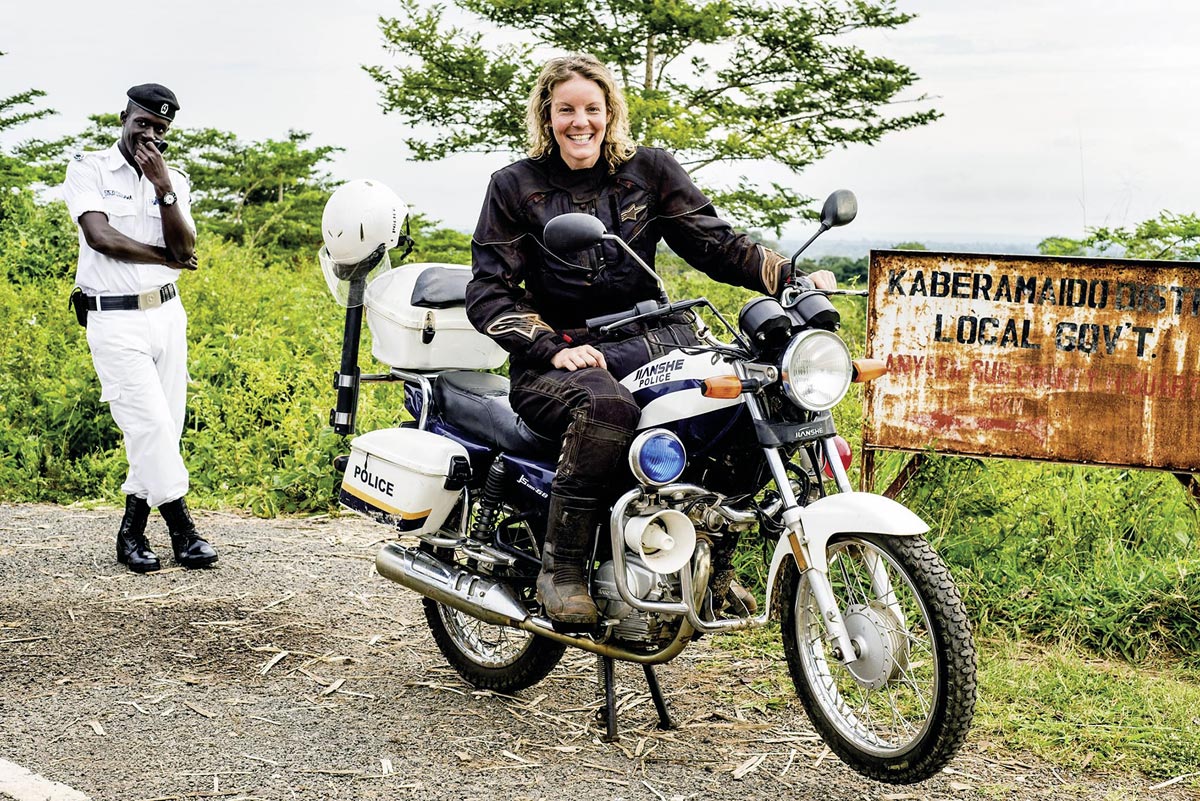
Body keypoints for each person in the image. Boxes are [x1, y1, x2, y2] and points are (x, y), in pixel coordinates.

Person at [466, 54, 835, 624]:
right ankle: (562, 570)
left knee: (746, 391)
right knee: (606, 407)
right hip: (560, 358)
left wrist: (793, 278)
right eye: (566, 110)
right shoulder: (515, 186)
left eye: (592, 109)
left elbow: (719, 246)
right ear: (546, 115)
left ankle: (710, 558)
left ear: (611, 112)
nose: (580, 122)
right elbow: (489, 293)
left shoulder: (650, 170)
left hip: (652, 339)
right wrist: (551, 347)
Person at [62, 83, 217, 573]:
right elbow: (100, 236)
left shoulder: (174, 180)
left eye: (159, 128)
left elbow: (185, 246)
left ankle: (130, 533)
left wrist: (162, 185)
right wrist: (166, 258)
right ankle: (183, 529)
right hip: (113, 318)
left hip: (167, 315)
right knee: (149, 425)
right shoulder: (88, 168)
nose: (149, 134)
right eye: (142, 122)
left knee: (163, 430)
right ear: (124, 117)